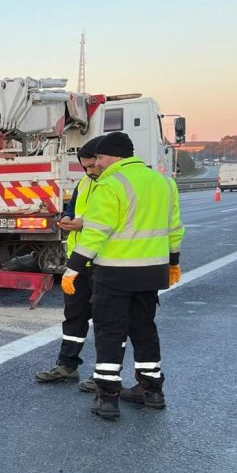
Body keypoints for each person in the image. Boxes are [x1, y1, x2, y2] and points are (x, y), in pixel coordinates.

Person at [61, 132, 184, 420]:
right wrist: (173, 263)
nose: (98, 164)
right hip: (152, 273)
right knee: (144, 331)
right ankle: (152, 391)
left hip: (115, 274)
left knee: (110, 333)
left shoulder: (111, 183)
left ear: (113, 156)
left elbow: (95, 233)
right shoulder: (165, 183)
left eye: (100, 158)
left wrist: (74, 267)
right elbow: (175, 228)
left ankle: (107, 397)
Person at [36, 140, 102, 388]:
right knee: (74, 316)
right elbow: (73, 208)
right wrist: (67, 217)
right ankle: (67, 365)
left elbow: (114, 221)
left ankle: (104, 375)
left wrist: (83, 224)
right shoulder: (85, 183)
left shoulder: (113, 185)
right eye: (85, 167)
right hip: (79, 261)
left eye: (92, 166)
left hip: (105, 262)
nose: (89, 171)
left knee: (106, 321)